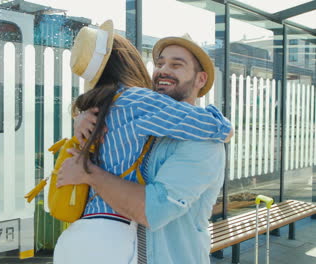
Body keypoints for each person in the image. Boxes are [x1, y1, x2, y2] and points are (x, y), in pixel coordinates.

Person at [53, 20, 232, 264]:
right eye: (159, 64)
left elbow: (154, 210)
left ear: (200, 80)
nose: (163, 70)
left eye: (176, 65)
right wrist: (83, 120)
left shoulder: (204, 143)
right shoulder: (145, 121)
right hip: (113, 243)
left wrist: (88, 173)